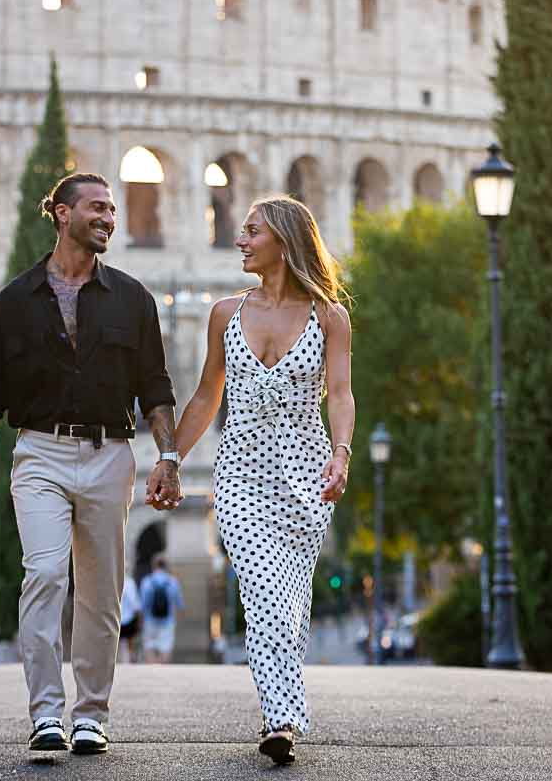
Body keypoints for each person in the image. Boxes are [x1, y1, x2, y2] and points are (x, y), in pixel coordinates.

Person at [0, 173, 184, 756]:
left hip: (112, 454)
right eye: (97, 208)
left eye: (112, 209)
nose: (109, 218)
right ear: (61, 214)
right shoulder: (13, 303)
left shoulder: (133, 299)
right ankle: (45, 713)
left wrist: (167, 456)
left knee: (101, 591)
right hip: (39, 452)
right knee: (44, 575)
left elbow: (155, 388)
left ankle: (91, 714)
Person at [173, 195, 355, 765]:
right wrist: (171, 458)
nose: (239, 240)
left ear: (283, 240)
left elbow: (342, 394)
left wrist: (342, 455)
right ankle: (280, 719)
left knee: (291, 601)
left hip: (306, 476)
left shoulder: (330, 316)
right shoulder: (226, 312)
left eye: (251, 231)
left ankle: (283, 713)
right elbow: (207, 395)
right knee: (263, 593)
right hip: (241, 475)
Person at [139, 555, 185, 664]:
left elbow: (143, 605)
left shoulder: (147, 581)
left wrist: (140, 621)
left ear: (154, 565)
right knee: (166, 648)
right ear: (166, 566)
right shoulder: (173, 581)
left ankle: (153, 669)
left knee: (149, 646)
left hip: (150, 621)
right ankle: (162, 669)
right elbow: (180, 604)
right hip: (167, 621)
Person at [118, 571, 142, 664]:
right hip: (128, 618)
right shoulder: (129, 583)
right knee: (128, 643)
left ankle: (122, 660)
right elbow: (134, 603)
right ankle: (127, 660)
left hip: (117, 618)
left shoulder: (114, 582)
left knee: (119, 643)